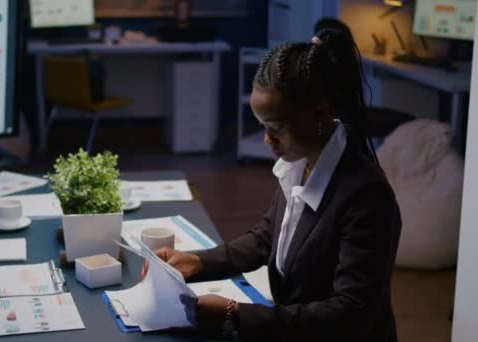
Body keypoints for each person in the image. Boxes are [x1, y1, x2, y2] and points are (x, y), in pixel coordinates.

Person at [141, 28, 402, 341]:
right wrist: (199, 262)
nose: (267, 140)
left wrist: (235, 316)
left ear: (321, 113)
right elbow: (268, 238)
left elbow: (350, 315)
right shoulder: (301, 162)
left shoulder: (366, 197)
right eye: (262, 126)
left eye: (276, 128)